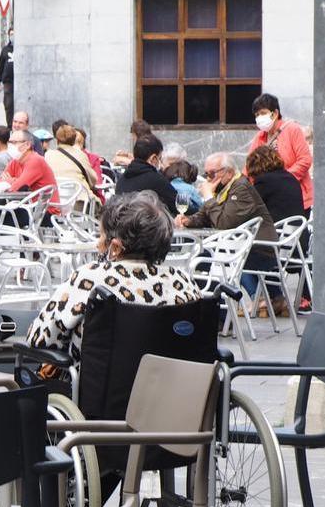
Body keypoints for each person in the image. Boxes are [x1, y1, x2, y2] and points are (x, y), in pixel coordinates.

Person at [28, 190, 202, 363]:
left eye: (101, 235)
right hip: (172, 387)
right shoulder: (184, 281)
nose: (98, 244)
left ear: (116, 247)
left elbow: (40, 339)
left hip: (101, 387)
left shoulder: (91, 279)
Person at [176, 152, 282, 314]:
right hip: (240, 248)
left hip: (260, 250)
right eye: (206, 174)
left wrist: (208, 197)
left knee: (203, 259)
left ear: (229, 172)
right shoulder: (223, 188)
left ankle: (216, 314)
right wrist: (187, 220)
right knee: (200, 257)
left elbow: (224, 224)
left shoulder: (241, 188)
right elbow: (204, 216)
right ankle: (209, 311)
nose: (209, 179)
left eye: (212, 174)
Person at [249, 93, 312, 213]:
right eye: (256, 115)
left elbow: (305, 160)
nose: (259, 118)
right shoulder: (260, 137)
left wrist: (282, 181)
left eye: (263, 113)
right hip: (269, 199)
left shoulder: (292, 129)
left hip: (297, 197)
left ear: (275, 113)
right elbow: (249, 165)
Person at [1, 129, 62, 222]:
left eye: (14, 142)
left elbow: (17, 187)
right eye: (9, 142)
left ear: (27, 145)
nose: (10, 145)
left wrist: (10, 181)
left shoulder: (35, 160)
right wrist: (13, 181)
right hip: (27, 207)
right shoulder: (15, 161)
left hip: (45, 211)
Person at [114, 135, 177, 211]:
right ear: (153, 158)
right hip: (146, 222)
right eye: (159, 158)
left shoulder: (121, 180)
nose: (160, 163)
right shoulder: (156, 179)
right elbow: (177, 204)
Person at [246, 146, 304, 227]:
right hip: (298, 234)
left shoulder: (264, 181)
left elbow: (249, 209)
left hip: (279, 235)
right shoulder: (291, 177)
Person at [44, 124, 99, 205]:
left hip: (56, 204)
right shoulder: (81, 155)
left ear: (57, 140)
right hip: (80, 203)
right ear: (74, 140)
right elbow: (93, 180)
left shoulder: (48, 155)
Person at [0, 27, 15, 127]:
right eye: (11, 34)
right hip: (8, 81)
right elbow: (0, 66)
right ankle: (10, 125)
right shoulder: (5, 50)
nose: (13, 36)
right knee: (8, 103)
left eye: (14, 34)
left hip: (20, 81)